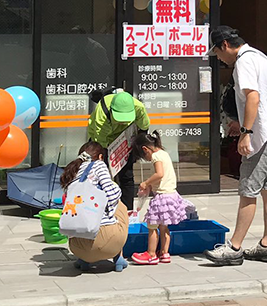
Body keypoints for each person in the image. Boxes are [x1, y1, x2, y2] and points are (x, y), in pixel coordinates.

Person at [204, 26, 267, 266]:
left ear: (225, 46)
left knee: (248, 189)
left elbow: (253, 96)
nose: (219, 60)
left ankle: (234, 248)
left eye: (218, 54)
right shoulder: (260, 57)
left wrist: (246, 132)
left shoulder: (243, 61)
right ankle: (266, 245)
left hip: (261, 135)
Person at [60, 141, 129, 272]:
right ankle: (118, 257)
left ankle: (85, 260)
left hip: (77, 247)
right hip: (108, 243)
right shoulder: (99, 165)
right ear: (101, 157)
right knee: (120, 206)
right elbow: (112, 194)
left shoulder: (74, 171)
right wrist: (116, 191)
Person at [130, 131, 187, 265]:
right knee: (164, 227)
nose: (147, 159)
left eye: (144, 156)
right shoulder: (164, 154)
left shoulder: (156, 156)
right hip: (172, 195)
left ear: (145, 149)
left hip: (161, 198)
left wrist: (146, 183)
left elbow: (159, 174)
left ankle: (150, 254)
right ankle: (164, 253)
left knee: (152, 226)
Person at [87, 91, 150, 210]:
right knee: (102, 175)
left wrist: (137, 151)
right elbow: (100, 142)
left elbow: (143, 129)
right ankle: (101, 209)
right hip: (104, 141)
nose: (123, 122)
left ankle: (127, 211)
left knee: (127, 175)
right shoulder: (103, 112)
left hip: (125, 140)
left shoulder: (139, 108)